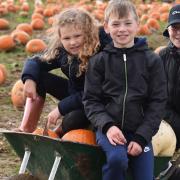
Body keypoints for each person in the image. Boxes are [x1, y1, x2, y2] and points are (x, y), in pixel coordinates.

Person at [83, 0, 167, 179]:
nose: (122, 29)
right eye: (116, 24)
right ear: (106, 27)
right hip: (109, 130)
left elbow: (158, 102)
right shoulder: (99, 62)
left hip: (140, 131)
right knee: (117, 160)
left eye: (128, 23)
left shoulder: (152, 60)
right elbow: (91, 100)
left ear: (137, 25)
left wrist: (141, 137)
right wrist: (107, 126)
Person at [16, 8, 106, 136]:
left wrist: (61, 108)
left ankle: (58, 133)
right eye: (67, 38)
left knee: (73, 119)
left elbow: (93, 92)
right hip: (74, 93)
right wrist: (29, 79)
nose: (72, 42)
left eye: (77, 36)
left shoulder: (99, 54)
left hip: (97, 101)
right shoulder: (62, 51)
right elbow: (35, 61)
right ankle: (26, 128)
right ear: (60, 38)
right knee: (38, 76)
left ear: (88, 33)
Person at [159, 4, 180, 151]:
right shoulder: (161, 56)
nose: (178, 33)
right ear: (168, 30)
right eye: (175, 28)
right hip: (169, 120)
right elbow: (156, 96)